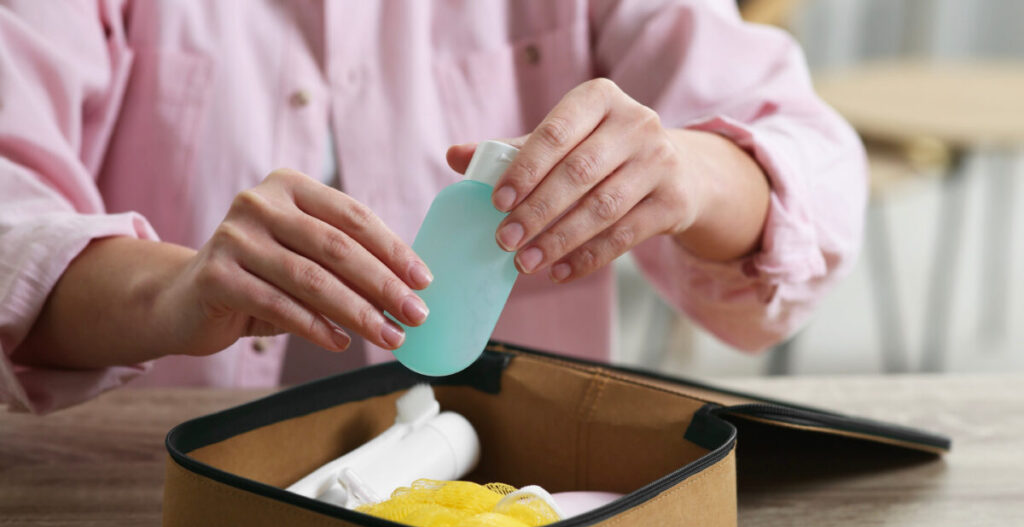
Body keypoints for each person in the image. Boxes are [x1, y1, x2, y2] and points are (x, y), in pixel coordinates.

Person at [0, 0, 865, 413]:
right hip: (152, 506)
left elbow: (813, 170)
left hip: (512, 511)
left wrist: (689, 170)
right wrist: (172, 290)